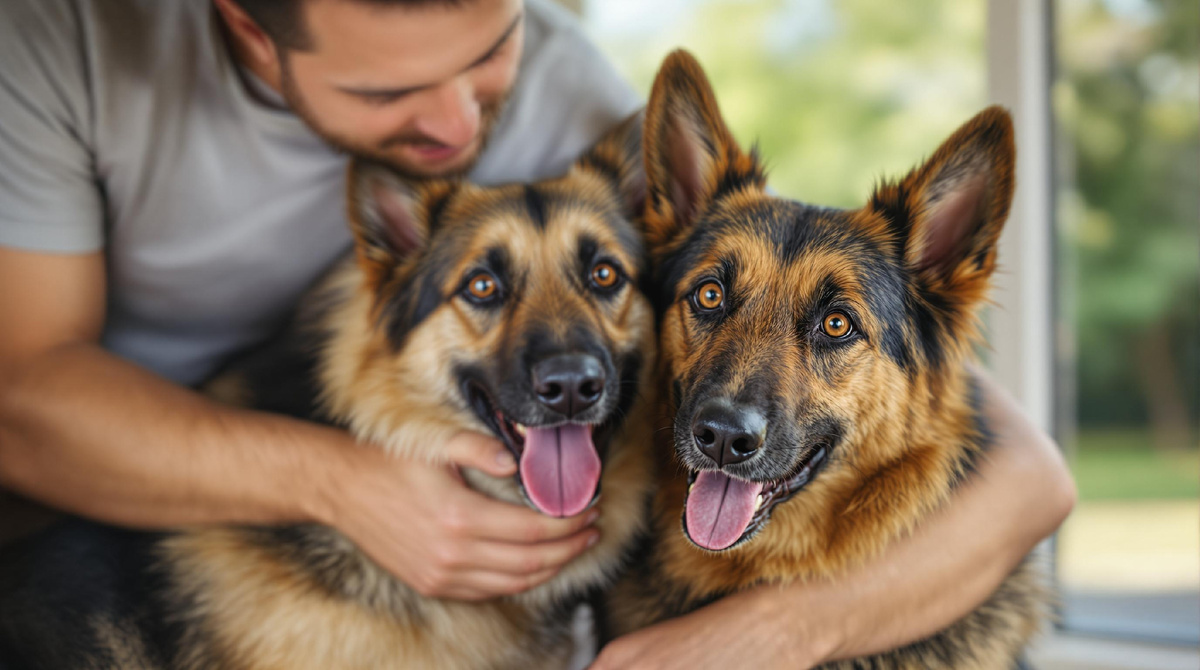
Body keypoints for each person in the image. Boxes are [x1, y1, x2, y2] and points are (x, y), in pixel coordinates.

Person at [0, 0, 1075, 667]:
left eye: (489, 52)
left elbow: (1025, 469)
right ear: (245, 25)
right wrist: (348, 485)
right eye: (389, 89)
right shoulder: (55, 45)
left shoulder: (572, 91)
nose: (462, 126)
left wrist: (780, 633)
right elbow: (24, 400)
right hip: (116, 488)